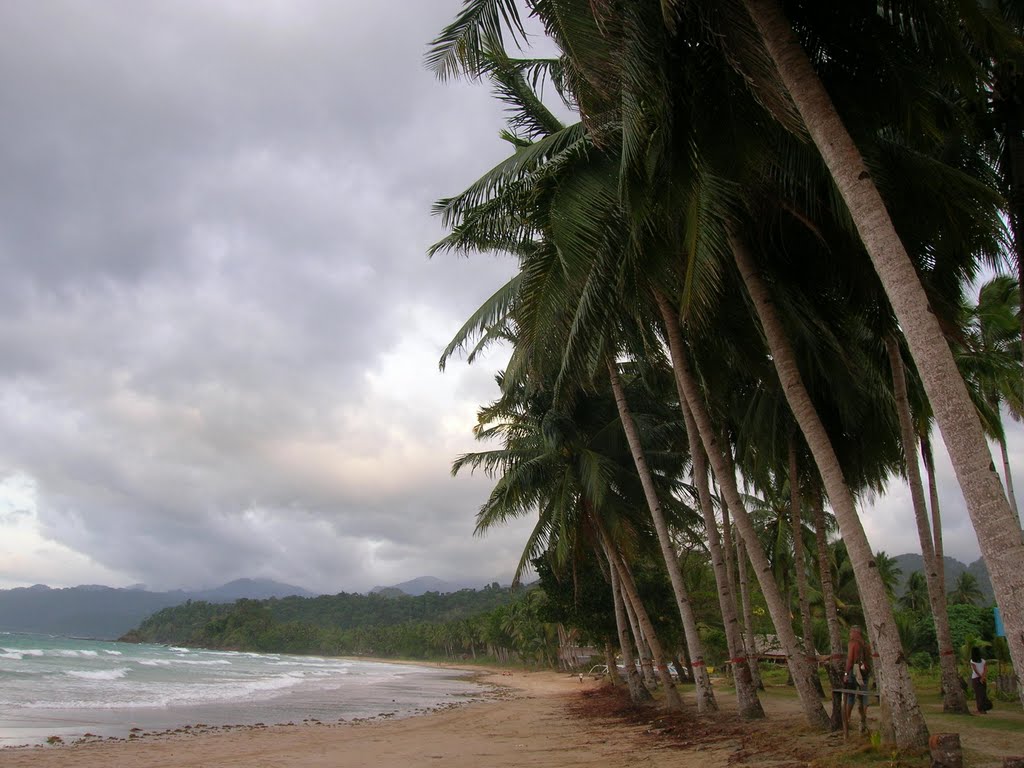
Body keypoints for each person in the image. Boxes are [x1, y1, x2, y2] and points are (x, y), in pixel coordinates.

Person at [842, 626, 871, 737]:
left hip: (855, 669)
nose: (849, 634)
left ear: (855, 632)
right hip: (865, 670)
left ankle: (847, 719)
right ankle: (863, 719)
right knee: (864, 694)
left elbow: (850, 659)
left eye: (850, 632)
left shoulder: (853, 643)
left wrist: (845, 673)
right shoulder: (866, 644)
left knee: (850, 695)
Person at [969, 646, 989, 714]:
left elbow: (975, 670)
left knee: (978, 694)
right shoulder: (983, 661)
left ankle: (980, 709)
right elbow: (985, 669)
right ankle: (983, 708)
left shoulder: (972, 661)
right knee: (983, 693)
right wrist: (983, 677)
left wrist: (980, 677)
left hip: (976, 678)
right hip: (983, 678)